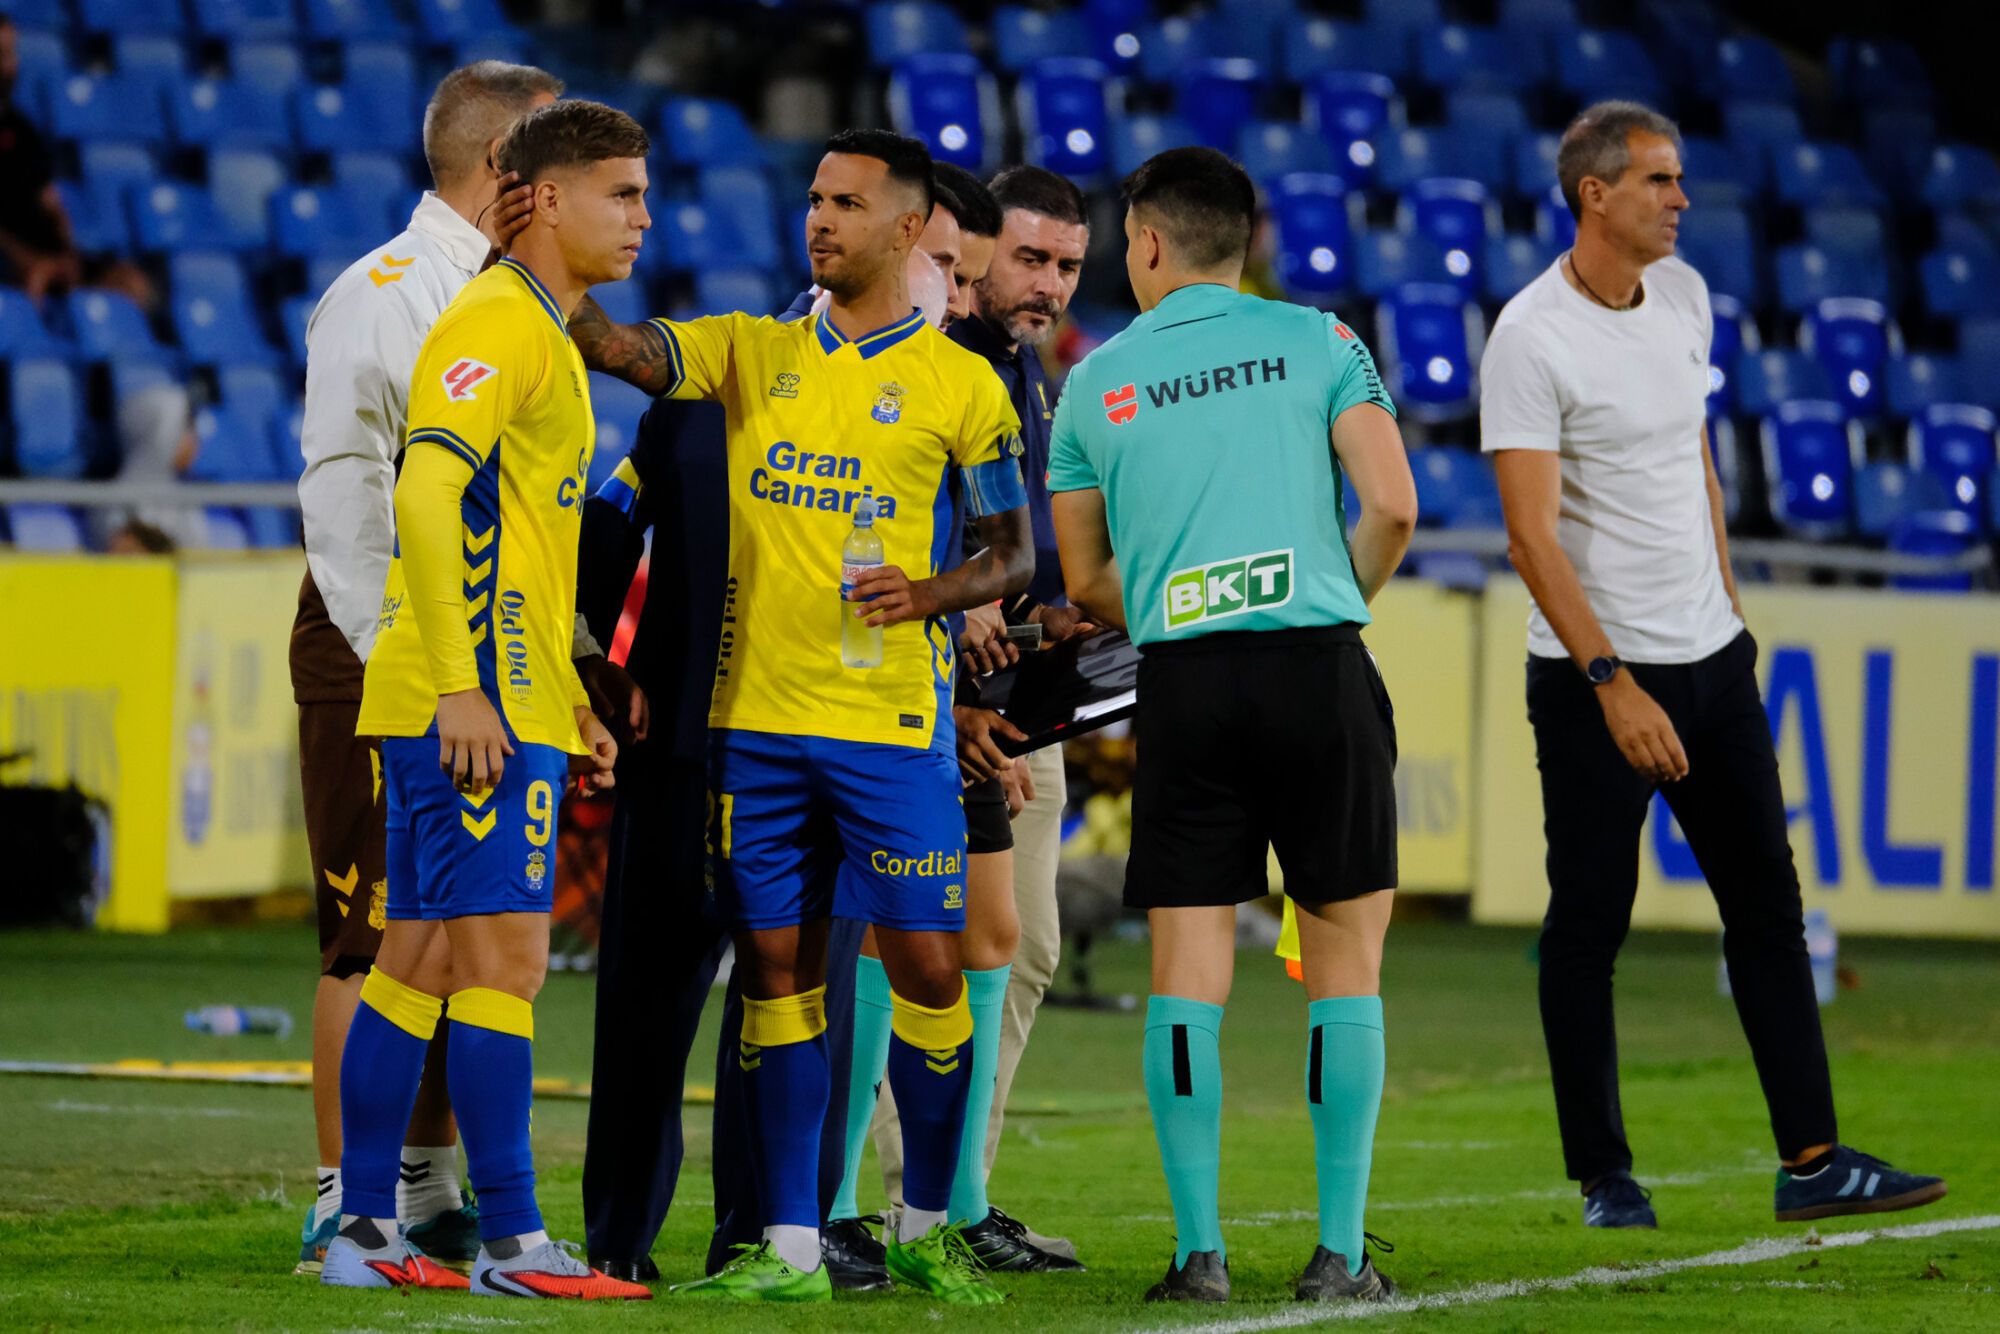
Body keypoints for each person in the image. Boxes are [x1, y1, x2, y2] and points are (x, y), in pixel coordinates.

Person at [568, 128, 1034, 1306]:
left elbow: (1009, 551)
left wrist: (930, 594)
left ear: (907, 231)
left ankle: (923, 1219)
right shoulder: (743, 354)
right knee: (771, 983)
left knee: (928, 969)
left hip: (887, 729)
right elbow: (619, 350)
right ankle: (774, 1248)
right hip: (746, 732)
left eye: (845, 203)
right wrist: (543, 262)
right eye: (813, 199)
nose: (818, 219)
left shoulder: (963, 384)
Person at [1480, 100, 1947, 1231]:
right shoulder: (1528, 334)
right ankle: (1602, 1174)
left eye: (1676, 179)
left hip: (1709, 659)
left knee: (1767, 910)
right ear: (1593, 194)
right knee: (1588, 922)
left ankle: (1812, 1157)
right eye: (1657, 180)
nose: (1682, 199)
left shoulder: (1683, 298)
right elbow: (1530, 536)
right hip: (1598, 681)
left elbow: (1688, 448)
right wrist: (1612, 683)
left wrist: (1725, 603)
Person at [1049, 147, 1415, 1305]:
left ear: (1145, 241)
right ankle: (1337, 1250)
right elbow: (1396, 503)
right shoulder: (1320, 341)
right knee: (1341, 964)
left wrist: (1180, 590)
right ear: (1244, 243)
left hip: (1187, 680)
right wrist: (1328, 594)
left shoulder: (1092, 381)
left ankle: (1196, 1251)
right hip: (1315, 665)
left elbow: (1084, 576)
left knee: (1185, 971)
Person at [319, 99, 652, 1302]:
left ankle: (361, 1226)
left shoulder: (537, 332)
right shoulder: (498, 322)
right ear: (547, 198)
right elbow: (423, 488)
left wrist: (567, 697)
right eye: (620, 191)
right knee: (503, 967)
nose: (643, 216)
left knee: (414, 959)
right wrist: (470, 686)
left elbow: (518, 545)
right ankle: (515, 1241)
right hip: (466, 702)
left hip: (494, 692)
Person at [290, 60, 566, 1276]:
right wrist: (400, 661)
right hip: (391, 639)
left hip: (473, 645)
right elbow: (350, 489)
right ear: (510, 166)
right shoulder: (388, 292)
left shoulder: (511, 293)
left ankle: (423, 1191)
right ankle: (337, 1200)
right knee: (375, 932)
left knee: (455, 932)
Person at [842, 163, 1096, 1274]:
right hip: (928, 711)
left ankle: (956, 1198)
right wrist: (958, 656)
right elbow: (876, 539)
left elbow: (1013, 544)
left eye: (1065, 267)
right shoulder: (927, 369)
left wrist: (1048, 611)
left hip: (1013, 711)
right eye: (1023, 259)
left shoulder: (1026, 374)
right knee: (909, 950)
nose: (1040, 284)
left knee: (1017, 947)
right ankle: (896, 1203)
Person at [0, 16, 149, 307]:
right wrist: (30, 262)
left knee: (131, 282)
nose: (10, 66)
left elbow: (51, 203)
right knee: (35, 282)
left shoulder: (23, 129)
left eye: (12, 54)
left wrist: (68, 256)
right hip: (11, 257)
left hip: (47, 253)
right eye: (1, 56)